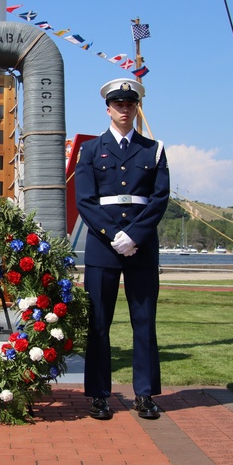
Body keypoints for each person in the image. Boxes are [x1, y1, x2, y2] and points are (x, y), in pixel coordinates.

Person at [75, 78, 170, 421]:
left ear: (136, 108)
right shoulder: (90, 150)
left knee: (144, 322)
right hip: (103, 246)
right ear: (108, 109)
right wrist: (114, 234)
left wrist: (135, 236)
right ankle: (99, 394)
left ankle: (144, 394)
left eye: (130, 104)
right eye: (118, 104)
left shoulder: (153, 149)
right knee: (98, 323)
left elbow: (159, 200)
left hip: (141, 248)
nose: (124, 110)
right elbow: (84, 200)